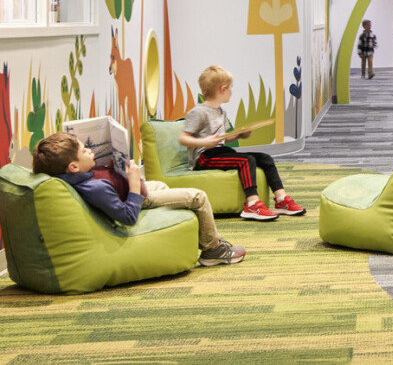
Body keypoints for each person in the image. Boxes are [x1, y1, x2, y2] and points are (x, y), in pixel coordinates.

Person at [32, 131, 245, 266]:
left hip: (134, 192)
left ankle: (199, 237)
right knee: (198, 196)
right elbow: (127, 216)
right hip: (137, 199)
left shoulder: (78, 177)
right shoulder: (95, 188)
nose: (89, 150)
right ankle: (213, 249)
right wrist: (134, 184)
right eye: (84, 150)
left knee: (161, 186)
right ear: (73, 167)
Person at [180, 65, 306, 221]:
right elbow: (183, 138)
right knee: (246, 160)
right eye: (231, 87)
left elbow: (224, 138)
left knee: (264, 157)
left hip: (219, 151)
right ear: (223, 89)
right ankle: (252, 204)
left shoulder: (221, 111)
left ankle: (281, 199)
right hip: (204, 157)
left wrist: (239, 135)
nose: (232, 90)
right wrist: (205, 141)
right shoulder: (198, 112)